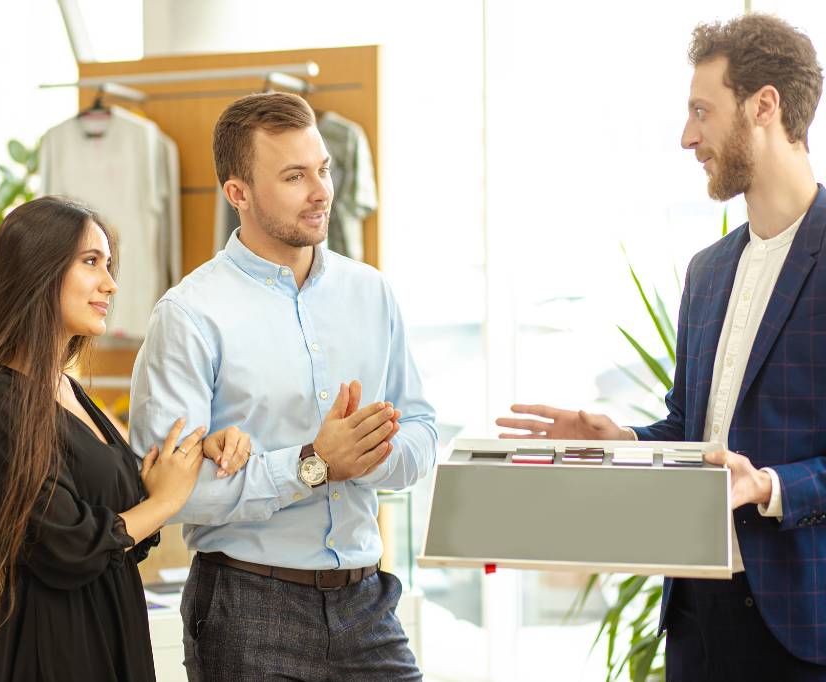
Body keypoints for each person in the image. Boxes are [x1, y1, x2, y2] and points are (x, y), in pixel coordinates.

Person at [497, 14, 826, 681]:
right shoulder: (708, 271)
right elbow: (691, 429)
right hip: (697, 618)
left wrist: (768, 485)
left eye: (702, 110)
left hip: (802, 624)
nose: (687, 137)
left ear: (765, 105)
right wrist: (618, 438)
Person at [130, 92, 437, 681]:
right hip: (246, 609)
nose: (321, 191)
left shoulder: (371, 294)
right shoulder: (190, 315)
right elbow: (173, 494)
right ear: (237, 194)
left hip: (366, 603)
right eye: (295, 176)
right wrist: (315, 464)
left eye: (322, 169)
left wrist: (363, 457)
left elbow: (422, 430)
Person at [0, 196, 207, 682]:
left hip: (112, 631)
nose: (111, 283)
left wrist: (211, 445)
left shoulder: (67, 388)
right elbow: (65, 542)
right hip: (57, 650)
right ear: (37, 270)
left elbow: (124, 513)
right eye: (91, 263)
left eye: (108, 264)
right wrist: (165, 503)